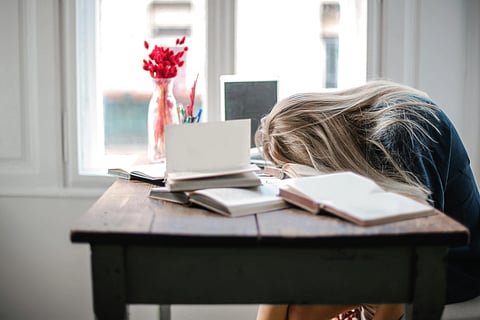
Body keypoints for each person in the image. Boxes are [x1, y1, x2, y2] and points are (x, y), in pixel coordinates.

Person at [254, 80, 480, 320]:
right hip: (399, 255)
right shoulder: (368, 124)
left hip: (453, 268)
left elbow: (413, 260)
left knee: (297, 309)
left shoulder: (402, 131)